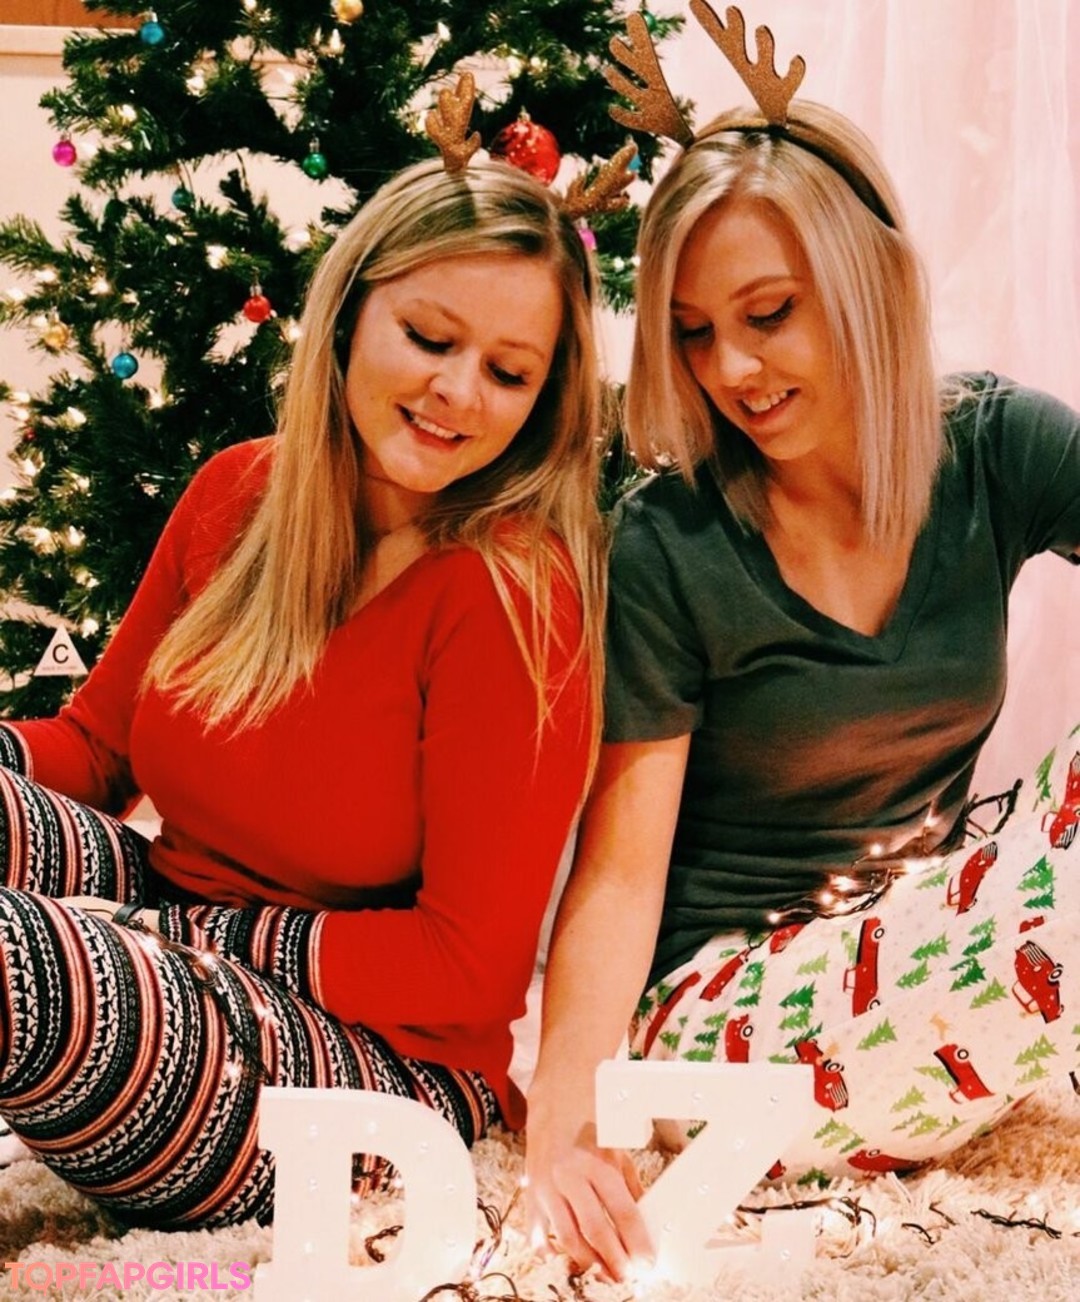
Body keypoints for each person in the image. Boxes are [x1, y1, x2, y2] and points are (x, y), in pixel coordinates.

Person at [525, 9, 1080, 1281]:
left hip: (934, 943)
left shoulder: (997, 448)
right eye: (694, 331)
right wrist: (567, 1118)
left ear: (868, 281)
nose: (733, 368)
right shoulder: (670, 543)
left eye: (769, 313)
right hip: (724, 1015)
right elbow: (618, 876)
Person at [0, 89, 616, 1229]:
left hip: (384, 1070)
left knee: (14, 961)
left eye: (508, 372)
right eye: (430, 338)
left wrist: (199, 940)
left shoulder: (512, 596)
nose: (457, 393)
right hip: (172, 927)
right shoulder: (240, 491)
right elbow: (96, 749)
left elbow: (470, 967)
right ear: (349, 313)